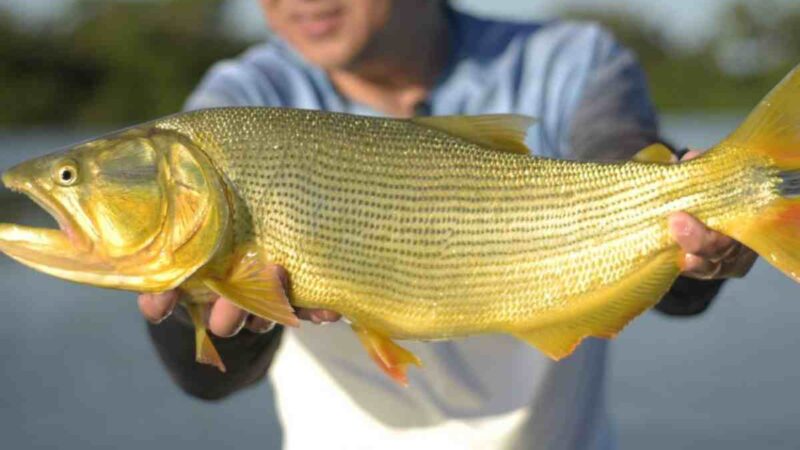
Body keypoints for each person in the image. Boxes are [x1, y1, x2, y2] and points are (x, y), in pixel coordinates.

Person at [139, 1, 757, 448]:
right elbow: (205, 380)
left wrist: (698, 235)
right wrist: (221, 323)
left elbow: (623, 162)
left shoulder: (571, 59)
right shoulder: (243, 98)